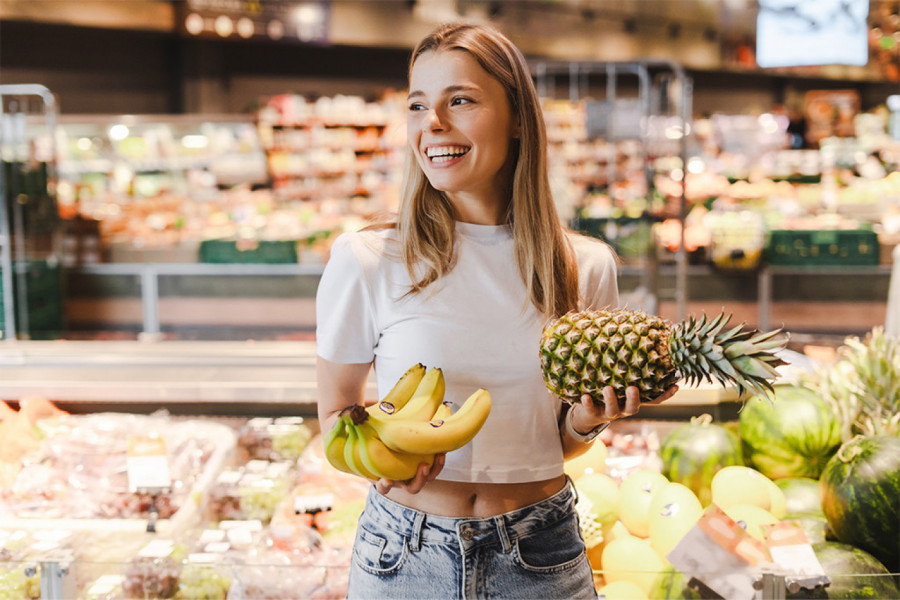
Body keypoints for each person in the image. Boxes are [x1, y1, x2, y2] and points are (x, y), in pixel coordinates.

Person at [315, 22, 677, 599]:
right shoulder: (367, 259)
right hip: (404, 554)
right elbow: (336, 413)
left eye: (459, 100)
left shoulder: (584, 265)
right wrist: (379, 459)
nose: (433, 123)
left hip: (542, 552)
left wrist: (590, 418)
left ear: (516, 118)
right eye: (417, 105)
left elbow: (559, 440)